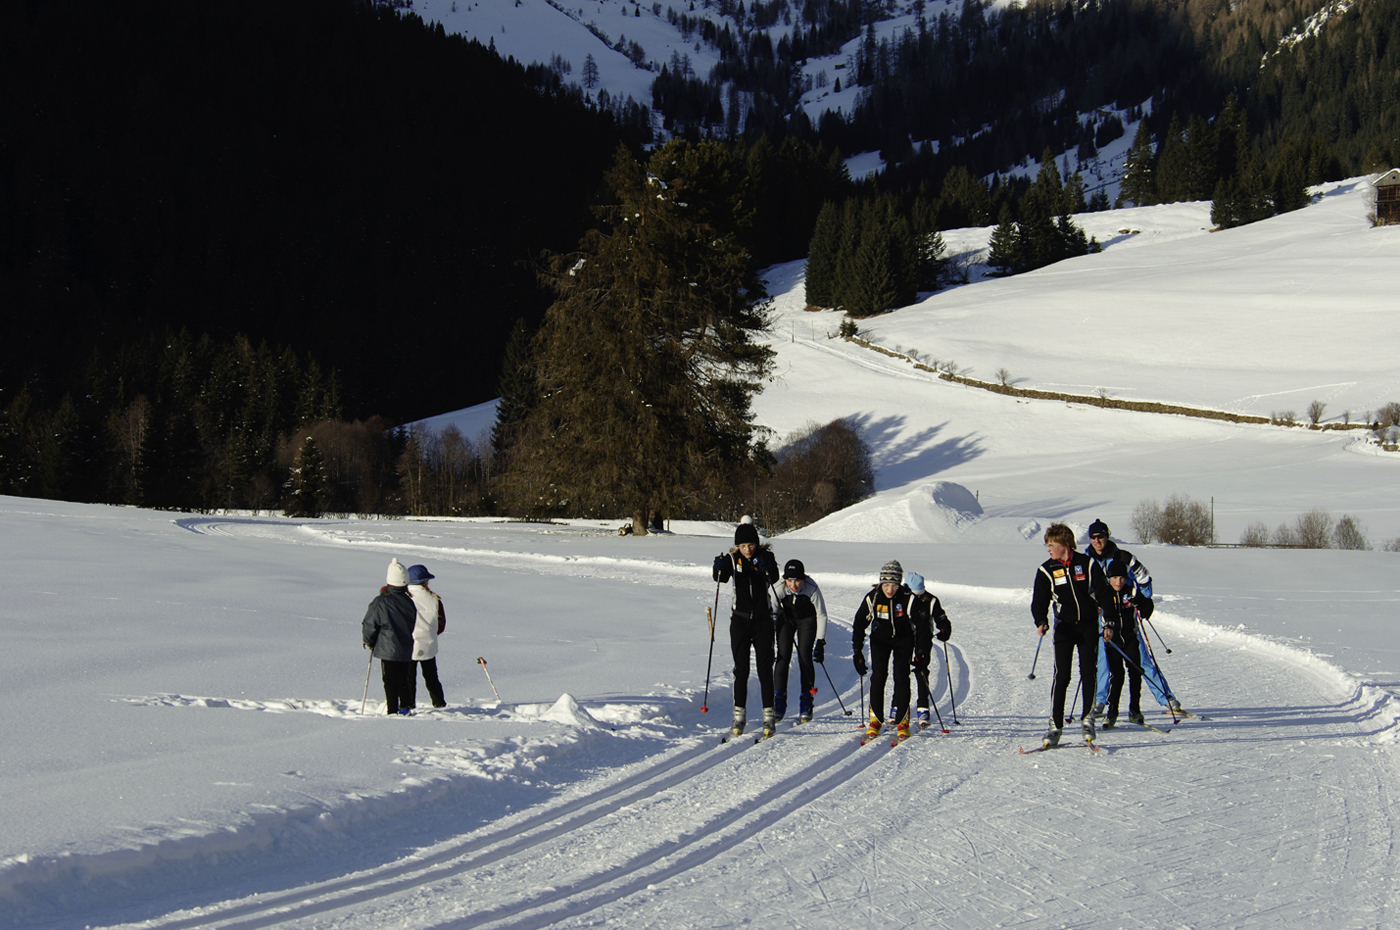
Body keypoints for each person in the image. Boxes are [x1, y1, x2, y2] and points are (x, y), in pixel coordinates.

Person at [1031, 524, 1108, 747]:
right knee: (1062, 675)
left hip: (1088, 626)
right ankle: (1055, 726)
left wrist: (1109, 623)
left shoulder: (1087, 563)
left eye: (1052, 545)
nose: (1048, 549)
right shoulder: (1046, 569)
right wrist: (1041, 620)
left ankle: (1088, 719)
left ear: (1065, 544)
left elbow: (1104, 594)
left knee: (1088, 672)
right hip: (1064, 627)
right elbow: (1039, 600)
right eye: (1047, 545)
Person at [712, 518, 779, 738]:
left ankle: (769, 714)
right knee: (741, 670)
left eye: (750, 545)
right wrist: (718, 568)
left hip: (762, 621)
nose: (747, 550)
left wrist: (767, 569)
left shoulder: (766, 557)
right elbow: (720, 578)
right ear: (737, 546)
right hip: (740, 621)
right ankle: (739, 716)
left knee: (764, 669)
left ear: (757, 544)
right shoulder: (733, 560)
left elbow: (774, 577)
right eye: (743, 546)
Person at [852, 560, 931, 742]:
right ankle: (875, 721)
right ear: (881, 583)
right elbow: (859, 624)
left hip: (904, 640)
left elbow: (922, 627)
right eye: (886, 585)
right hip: (880, 640)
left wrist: (921, 652)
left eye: (894, 585)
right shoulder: (873, 597)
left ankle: (902, 722)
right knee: (878, 676)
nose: (890, 590)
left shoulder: (908, 598)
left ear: (899, 584)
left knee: (901, 677)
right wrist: (857, 652)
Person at [1097, 560, 1154, 728]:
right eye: (1114, 578)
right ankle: (1112, 713)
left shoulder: (1131, 591)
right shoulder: (1105, 593)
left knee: (1136, 672)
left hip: (1130, 639)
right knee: (1118, 676)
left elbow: (1148, 606)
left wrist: (1141, 605)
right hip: (1113, 641)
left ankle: (1135, 710)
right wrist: (1108, 626)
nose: (1118, 581)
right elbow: (1107, 611)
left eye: (1121, 578)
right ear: (1109, 578)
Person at [773, 559, 829, 723]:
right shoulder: (778, 588)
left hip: (807, 620)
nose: (793, 585)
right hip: (786, 620)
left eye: (797, 580)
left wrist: (820, 641)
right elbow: (772, 613)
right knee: (783, 656)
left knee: (805, 655)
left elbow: (821, 614)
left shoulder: (811, 588)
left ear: (803, 579)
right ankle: (779, 701)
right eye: (789, 580)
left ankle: (806, 701)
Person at [362, 557, 419, 715]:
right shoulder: (408, 601)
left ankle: (392, 711)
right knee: (403, 679)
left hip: (388, 647)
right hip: (405, 646)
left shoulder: (381, 601)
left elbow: (370, 623)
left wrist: (368, 640)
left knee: (390, 681)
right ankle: (405, 708)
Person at [904, 572, 952, 729]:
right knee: (902, 671)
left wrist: (945, 629)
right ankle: (900, 707)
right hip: (903, 639)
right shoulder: (901, 599)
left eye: (920, 593)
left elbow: (941, 617)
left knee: (922, 671)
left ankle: (923, 708)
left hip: (923, 639)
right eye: (915, 594)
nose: (918, 597)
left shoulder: (931, 600)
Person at [407, 564, 448, 709]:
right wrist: (432, 634)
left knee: (408, 678)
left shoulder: (403, 597)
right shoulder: (434, 599)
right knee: (431, 677)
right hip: (428, 643)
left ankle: (409, 705)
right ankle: (439, 703)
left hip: (408, 644)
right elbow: (441, 624)